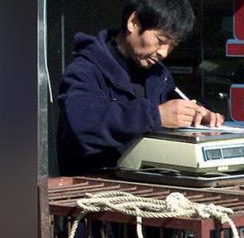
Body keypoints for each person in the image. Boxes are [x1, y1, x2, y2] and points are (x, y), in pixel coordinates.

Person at [57, 0, 223, 176]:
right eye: (160, 40)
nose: (163, 53)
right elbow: (83, 124)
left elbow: (174, 110)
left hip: (149, 187)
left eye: (172, 46)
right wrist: (155, 115)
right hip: (93, 187)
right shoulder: (85, 69)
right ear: (133, 23)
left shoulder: (159, 74)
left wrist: (198, 116)